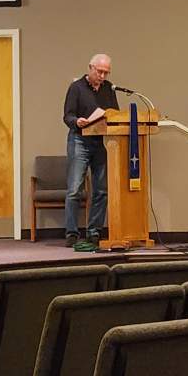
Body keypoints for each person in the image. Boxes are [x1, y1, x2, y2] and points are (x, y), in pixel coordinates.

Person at [63, 54, 119, 247]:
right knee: (74, 189)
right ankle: (71, 233)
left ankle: (94, 231)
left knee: (101, 190)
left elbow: (114, 114)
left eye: (106, 73)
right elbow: (68, 115)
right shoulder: (76, 87)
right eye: (99, 71)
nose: (102, 76)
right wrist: (77, 121)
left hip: (100, 141)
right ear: (90, 68)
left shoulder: (109, 89)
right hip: (79, 139)